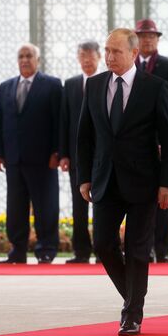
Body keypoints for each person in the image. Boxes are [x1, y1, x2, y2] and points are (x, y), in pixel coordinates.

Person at [77, 28, 168, 336]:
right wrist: (84, 177)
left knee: (137, 248)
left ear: (134, 54)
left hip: (144, 182)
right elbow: (84, 137)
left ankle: (132, 312)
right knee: (102, 244)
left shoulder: (155, 87)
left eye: (116, 51)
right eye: (107, 50)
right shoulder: (94, 86)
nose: (109, 57)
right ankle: (134, 297)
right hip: (105, 180)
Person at [0, 43, 62, 264]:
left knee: (45, 206)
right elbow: (0, 121)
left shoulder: (52, 85)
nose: (24, 59)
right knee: (15, 208)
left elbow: (59, 122)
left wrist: (57, 152)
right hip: (14, 159)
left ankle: (46, 249)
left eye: (29, 56)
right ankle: (17, 250)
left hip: (43, 159)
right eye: (21, 56)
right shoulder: (6, 86)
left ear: (38, 60)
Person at [134, 18, 168, 263]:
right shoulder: (128, 66)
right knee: (140, 197)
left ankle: (162, 248)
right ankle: (144, 247)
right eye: (143, 36)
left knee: (163, 192)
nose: (148, 40)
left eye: (152, 36)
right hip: (136, 145)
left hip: (161, 141)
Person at [59, 41, 101, 264]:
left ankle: (104, 251)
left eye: (90, 55)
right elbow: (64, 121)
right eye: (82, 55)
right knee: (79, 206)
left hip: (102, 157)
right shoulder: (71, 84)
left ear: (99, 57)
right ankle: (81, 252)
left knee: (104, 207)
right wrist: (64, 154)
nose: (86, 59)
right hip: (77, 158)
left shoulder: (107, 81)